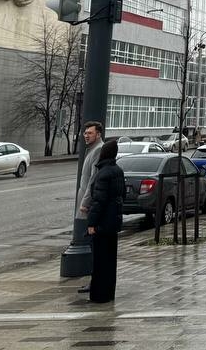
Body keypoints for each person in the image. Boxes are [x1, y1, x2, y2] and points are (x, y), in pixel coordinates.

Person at [86, 139, 124, 303]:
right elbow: (122, 194)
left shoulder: (103, 174)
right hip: (113, 222)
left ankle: (99, 295)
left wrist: (91, 223)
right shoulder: (118, 171)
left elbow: (98, 202)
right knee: (110, 260)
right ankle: (109, 293)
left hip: (102, 223)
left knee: (100, 260)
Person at [75, 121, 105, 295]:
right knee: (92, 243)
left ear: (98, 134)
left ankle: (95, 280)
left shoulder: (98, 150)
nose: (86, 135)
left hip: (90, 206)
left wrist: (85, 203)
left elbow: (93, 180)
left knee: (94, 244)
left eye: (90, 133)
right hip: (89, 203)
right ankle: (94, 280)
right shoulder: (92, 149)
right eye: (85, 133)